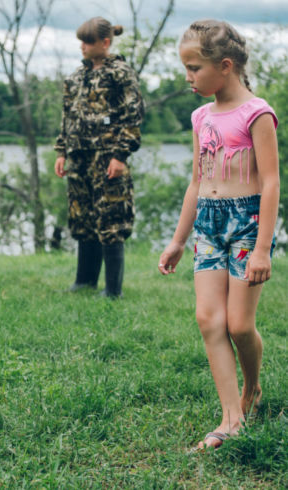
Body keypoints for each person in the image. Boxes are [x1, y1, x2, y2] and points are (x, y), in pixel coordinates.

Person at [158, 20, 279, 450]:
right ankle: (231, 420)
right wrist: (177, 239)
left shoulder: (257, 113)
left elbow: (270, 184)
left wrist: (263, 248)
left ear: (224, 66)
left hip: (246, 224)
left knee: (239, 324)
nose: (187, 76)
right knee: (209, 320)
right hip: (208, 224)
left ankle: (252, 390)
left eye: (194, 68)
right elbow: (196, 180)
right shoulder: (200, 116)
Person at [54, 16, 144, 298]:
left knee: (111, 219)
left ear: (105, 43)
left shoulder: (120, 73)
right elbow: (67, 116)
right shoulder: (76, 77)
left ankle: (113, 289)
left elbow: (133, 115)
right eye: (80, 41)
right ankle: (85, 281)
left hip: (108, 158)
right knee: (82, 218)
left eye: (88, 41)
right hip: (79, 157)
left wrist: (120, 156)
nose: (82, 46)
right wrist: (61, 151)